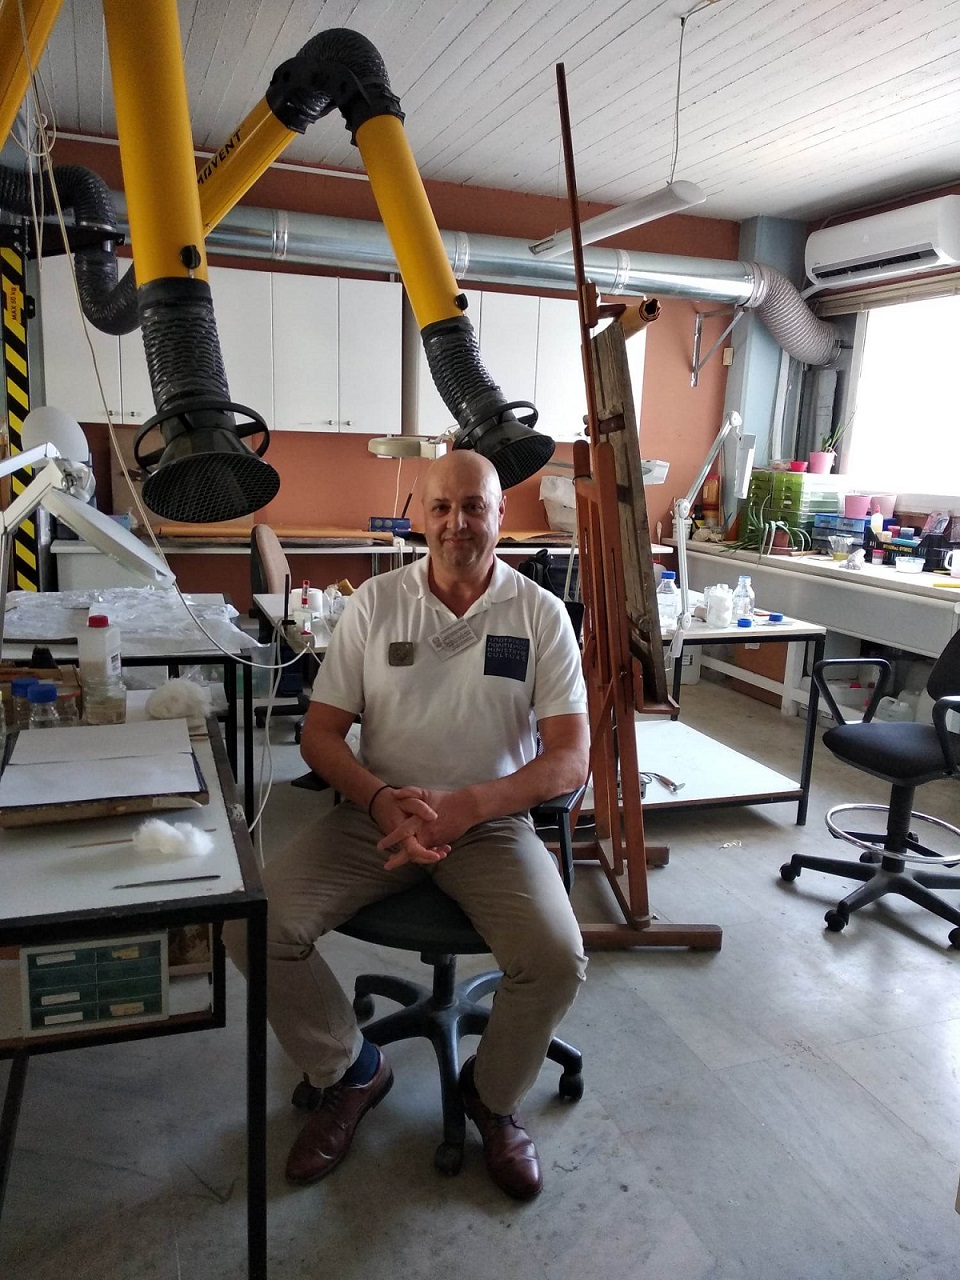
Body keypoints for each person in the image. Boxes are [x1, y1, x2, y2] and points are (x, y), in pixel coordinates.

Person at [226, 449, 589, 1201]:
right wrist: (379, 797)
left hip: (488, 823)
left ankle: (490, 1099)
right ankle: (352, 1069)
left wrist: (471, 804)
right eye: (441, 507)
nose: (457, 523)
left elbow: (569, 759)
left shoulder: (539, 614)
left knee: (556, 958)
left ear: (500, 514)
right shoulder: (376, 604)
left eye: (475, 506)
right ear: (419, 516)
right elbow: (320, 735)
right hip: (377, 817)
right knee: (250, 924)